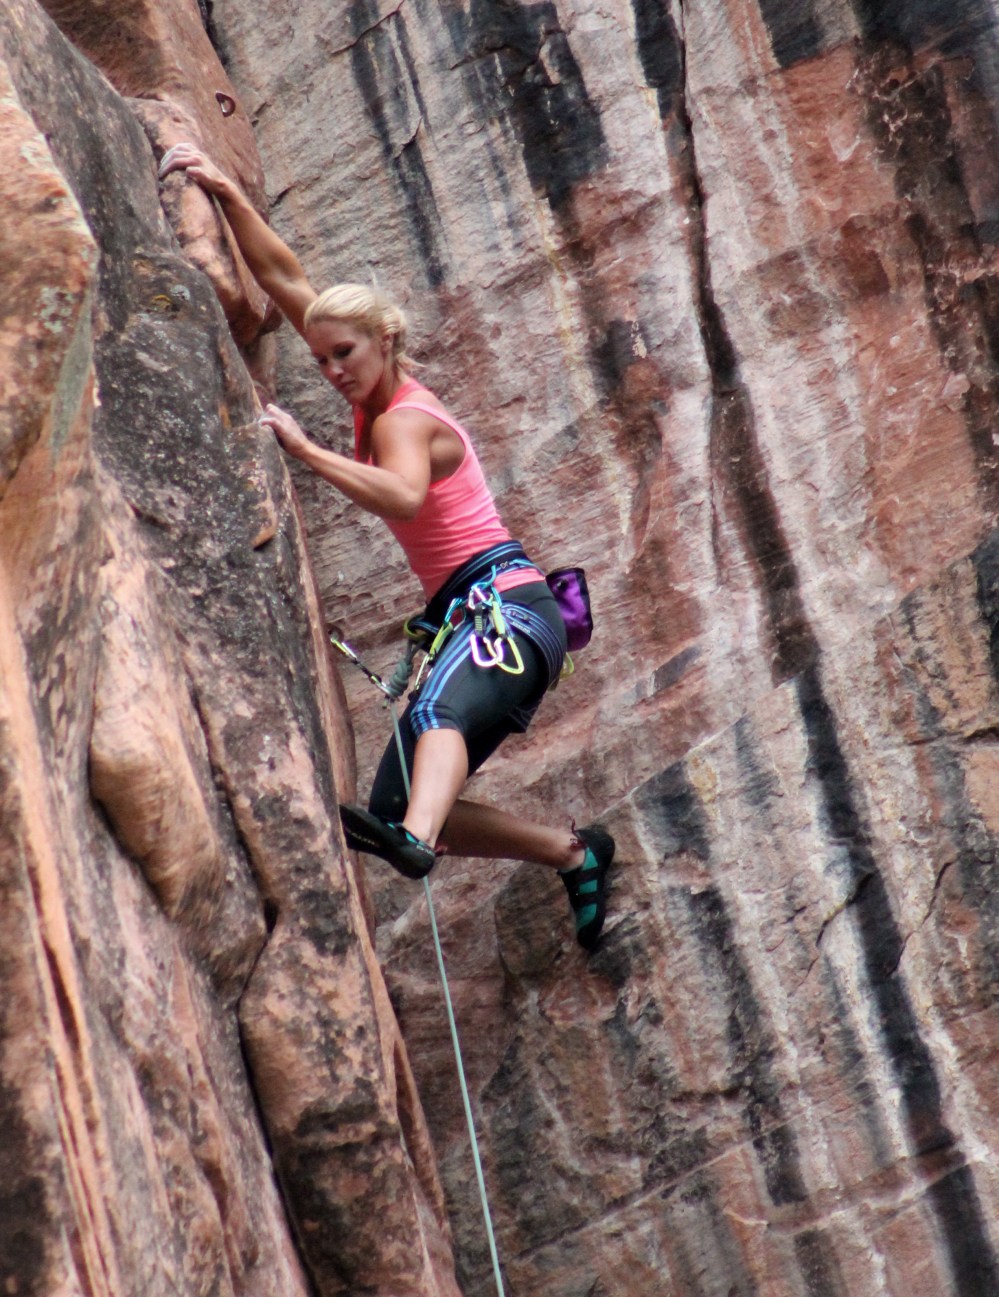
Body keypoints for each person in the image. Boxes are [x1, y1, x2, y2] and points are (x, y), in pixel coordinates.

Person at [158, 143, 614, 948]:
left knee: (434, 721)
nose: (332, 369)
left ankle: (417, 842)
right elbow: (286, 279)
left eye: (346, 354)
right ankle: (571, 852)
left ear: (386, 343)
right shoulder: (364, 377)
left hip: (503, 609)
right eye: (323, 356)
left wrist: (303, 450)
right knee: (394, 803)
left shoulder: (404, 416)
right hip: (477, 619)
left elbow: (403, 494)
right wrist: (223, 191)